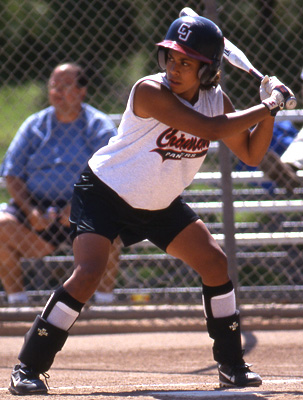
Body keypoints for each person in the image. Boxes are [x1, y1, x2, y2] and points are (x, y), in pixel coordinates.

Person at [8, 16, 294, 395]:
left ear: (207, 69)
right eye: (170, 58)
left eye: (186, 62)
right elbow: (209, 130)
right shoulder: (149, 91)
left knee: (214, 262)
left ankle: (231, 364)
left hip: (159, 204)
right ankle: (28, 367)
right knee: (90, 271)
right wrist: (269, 103)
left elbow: (252, 153)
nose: (174, 68)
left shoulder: (216, 101)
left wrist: (269, 112)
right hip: (105, 192)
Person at [0, 62, 119, 305]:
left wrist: (79, 206)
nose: (56, 92)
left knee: (112, 230)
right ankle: (18, 303)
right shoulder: (35, 125)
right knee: (1, 225)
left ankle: (106, 303)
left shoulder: (97, 124)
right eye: (53, 86)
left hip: (86, 204)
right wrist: (30, 211)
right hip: (36, 207)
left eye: (65, 86)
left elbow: (110, 173)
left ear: (82, 91)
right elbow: (12, 174)